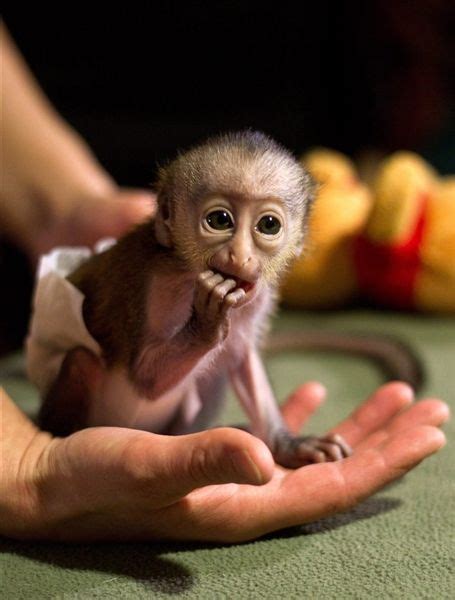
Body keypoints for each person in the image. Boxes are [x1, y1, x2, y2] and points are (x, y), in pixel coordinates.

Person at [0, 23, 449, 543]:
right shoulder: (157, 274)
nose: (240, 254)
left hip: (171, 407)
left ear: (302, 239)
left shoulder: (243, 274)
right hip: (104, 406)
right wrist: (200, 336)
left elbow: (239, 353)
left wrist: (278, 436)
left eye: (269, 226)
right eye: (218, 219)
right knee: (99, 363)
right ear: (167, 219)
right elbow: (145, 380)